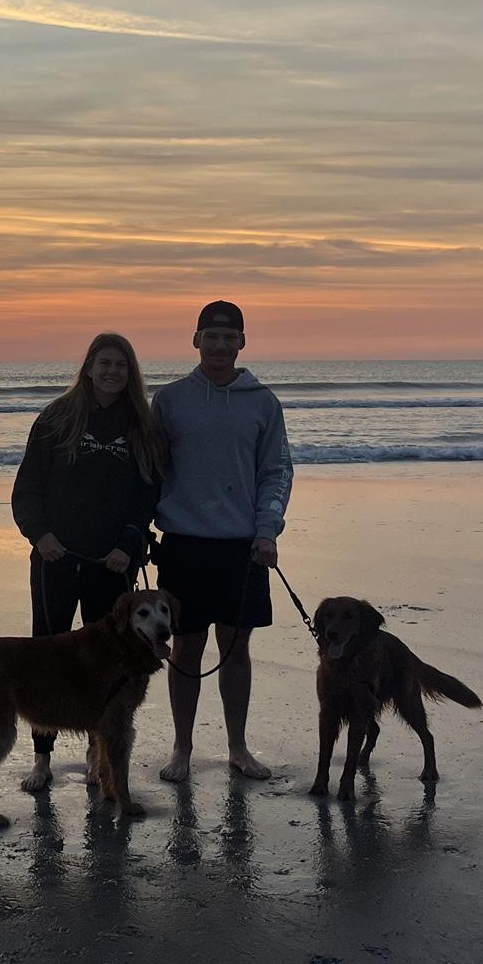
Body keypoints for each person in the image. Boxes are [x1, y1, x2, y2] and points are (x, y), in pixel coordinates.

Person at [11, 332, 163, 792]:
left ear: (130, 371)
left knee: (109, 662)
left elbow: (146, 496)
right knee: (49, 659)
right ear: (89, 367)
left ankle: (99, 754)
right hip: (56, 558)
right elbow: (28, 487)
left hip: (112, 563)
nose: (112, 371)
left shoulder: (138, 423)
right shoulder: (57, 418)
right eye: (105, 363)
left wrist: (129, 543)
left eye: (121, 364)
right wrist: (40, 535)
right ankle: (42, 759)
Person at [152, 300, 292, 783]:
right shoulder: (169, 401)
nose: (219, 345)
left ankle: (238, 748)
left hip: (242, 546)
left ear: (242, 343)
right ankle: (182, 749)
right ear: (195, 341)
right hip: (183, 544)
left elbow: (275, 472)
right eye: (210, 336)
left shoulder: (263, 402)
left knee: (234, 650)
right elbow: (151, 471)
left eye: (229, 336)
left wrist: (267, 530)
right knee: (186, 650)